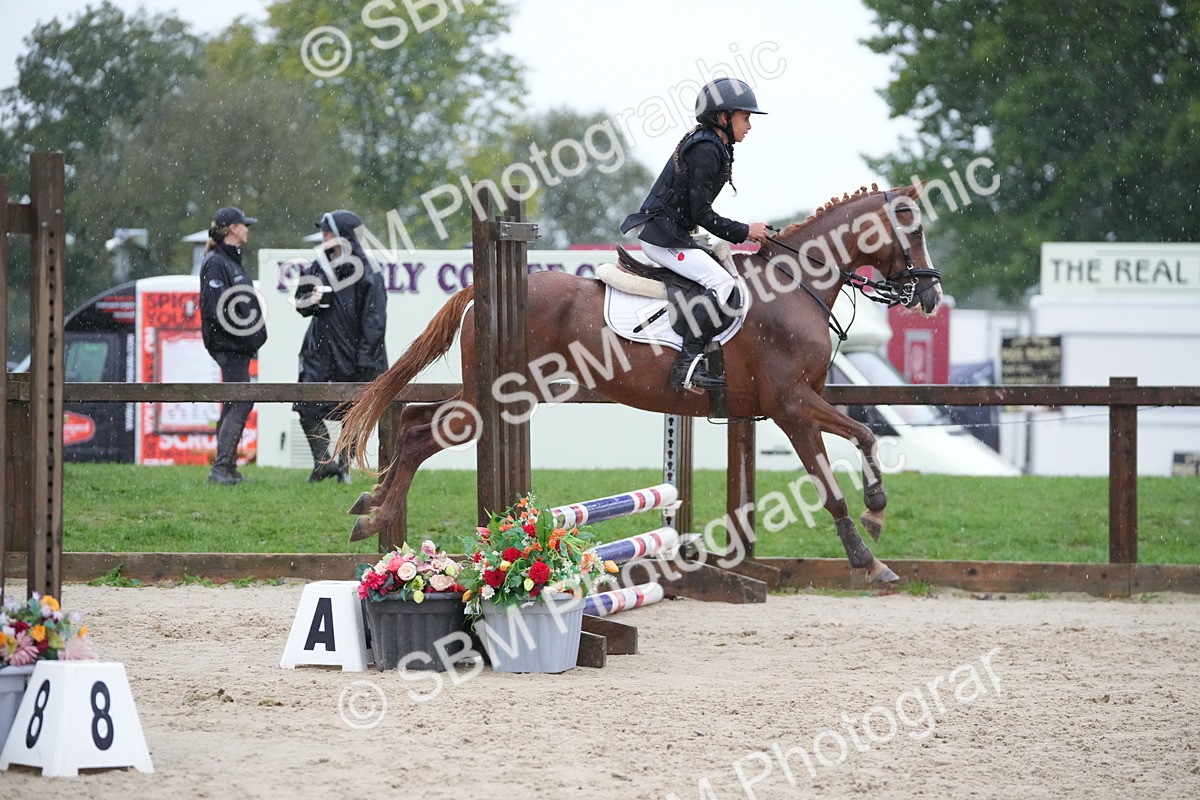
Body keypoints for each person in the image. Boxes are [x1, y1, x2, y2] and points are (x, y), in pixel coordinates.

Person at [621, 77, 770, 392]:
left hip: (672, 232)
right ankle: (685, 369)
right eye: (745, 117)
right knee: (723, 282)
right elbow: (703, 214)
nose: (750, 126)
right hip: (661, 236)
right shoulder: (706, 149)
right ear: (723, 118)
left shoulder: (715, 144)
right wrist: (745, 231)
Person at [292, 209, 388, 483]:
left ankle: (345, 467)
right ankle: (323, 463)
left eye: (328, 230)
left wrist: (366, 360)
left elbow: (375, 320)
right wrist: (309, 298)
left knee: (353, 413)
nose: (323, 235)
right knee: (306, 407)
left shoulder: (369, 270)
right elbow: (299, 302)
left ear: (345, 235)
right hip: (318, 354)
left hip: (356, 355)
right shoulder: (318, 265)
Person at [199, 206, 267, 485]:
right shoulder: (216, 262)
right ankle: (222, 466)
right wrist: (247, 337)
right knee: (241, 399)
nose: (247, 229)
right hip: (229, 346)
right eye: (244, 224)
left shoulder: (230, 261)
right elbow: (218, 310)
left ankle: (225, 466)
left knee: (234, 400)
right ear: (232, 229)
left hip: (236, 346)